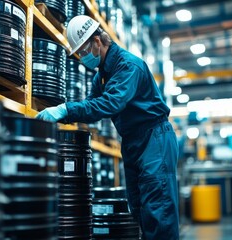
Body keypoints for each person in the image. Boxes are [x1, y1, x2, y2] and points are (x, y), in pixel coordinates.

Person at [36, 15, 179, 240]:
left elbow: (111, 103)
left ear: (97, 41)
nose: (82, 57)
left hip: (154, 139)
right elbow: (92, 108)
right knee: (139, 206)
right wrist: (62, 117)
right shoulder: (101, 77)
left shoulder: (128, 66)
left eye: (83, 51)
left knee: (158, 208)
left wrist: (65, 109)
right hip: (132, 141)